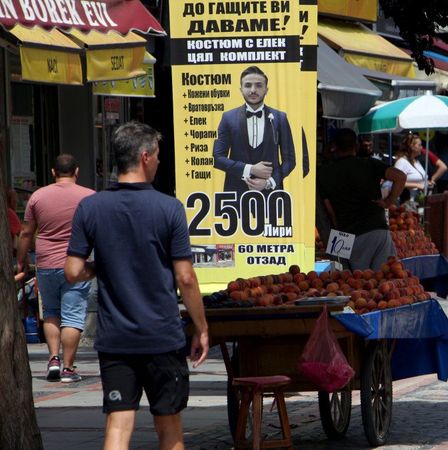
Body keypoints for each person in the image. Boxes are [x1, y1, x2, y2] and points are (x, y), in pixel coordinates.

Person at [64, 122, 209, 449]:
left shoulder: (91, 207)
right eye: (157, 155)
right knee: (169, 427)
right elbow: (185, 277)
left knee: (118, 423)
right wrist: (201, 328)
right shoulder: (169, 208)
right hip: (161, 336)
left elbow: (72, 271)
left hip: (115, 338)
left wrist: (101, 267)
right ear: (145, 157)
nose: (159, 161)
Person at [15, 155, 94, 382]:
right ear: (76, 171)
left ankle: (53, 359)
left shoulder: (38, 197)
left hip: (46, 262)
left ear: (53, 172)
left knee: (50, 312)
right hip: (77, 263)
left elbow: (27, 232)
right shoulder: (89, 197)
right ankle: (68, 368)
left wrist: (21, 260)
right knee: (73, 316)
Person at [318, 128, 406, 271]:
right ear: (357, 146)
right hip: (378, 229)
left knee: (355, 284)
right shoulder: (369, 164)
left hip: (347, 234)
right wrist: (388, 202)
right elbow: (401, 177)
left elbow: (330, 211)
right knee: (384, 280)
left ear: (334, 146)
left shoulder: (323, 173)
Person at [213, 66, 296, 198]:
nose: (253, 90)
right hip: (235, 196)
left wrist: (269, 182)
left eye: (258, 85)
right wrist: (250, 169)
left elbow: (290, 160)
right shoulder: (228, 117)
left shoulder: (280, 118)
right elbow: (218, 158)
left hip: (271, 196)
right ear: (241, 89)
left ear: (266, 89)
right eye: (248, 85)